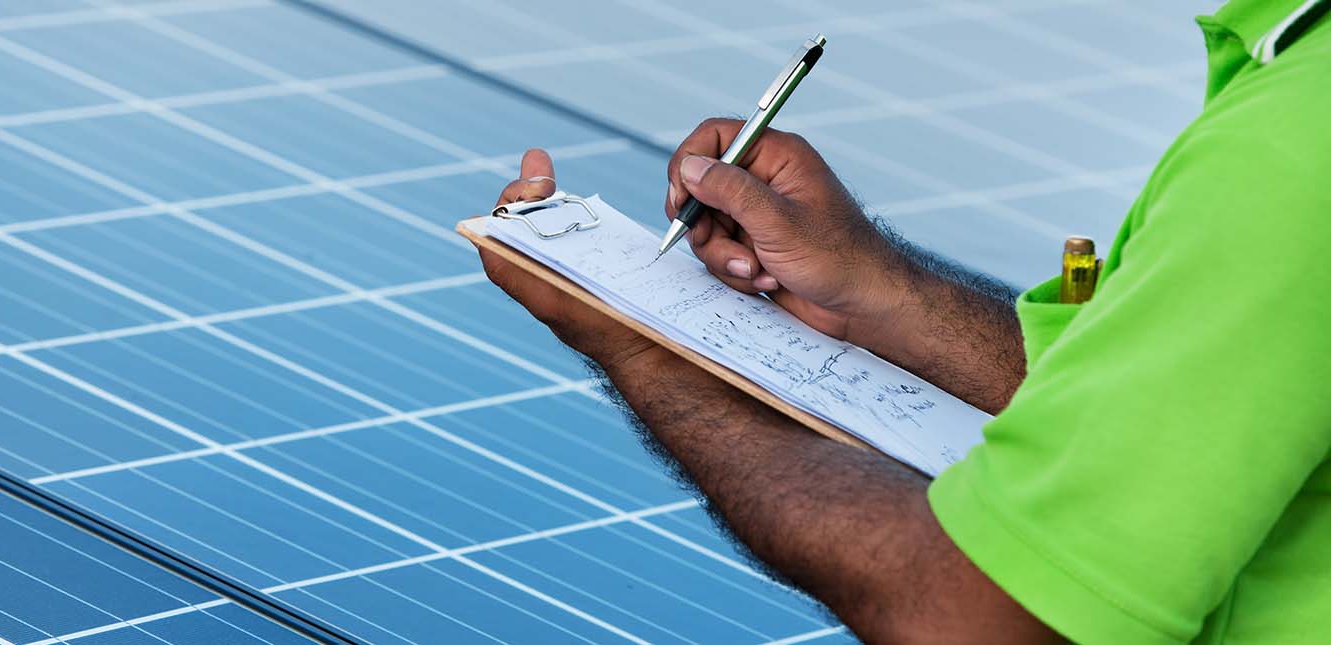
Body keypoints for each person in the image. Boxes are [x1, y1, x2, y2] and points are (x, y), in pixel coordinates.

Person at [478, 1, 1330, 643]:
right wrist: (879, 292)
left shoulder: (1296, 145)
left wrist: (648, 342)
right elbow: (1170, 413)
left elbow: (977, 613)